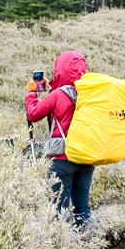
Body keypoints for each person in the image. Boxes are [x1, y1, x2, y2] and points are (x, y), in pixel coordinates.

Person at [25, 50, 94, 227]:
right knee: (82, 210)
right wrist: (53, 87)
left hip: (63, 160)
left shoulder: (57, 95)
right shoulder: (90, 94)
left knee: (58, 211)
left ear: (60, 69)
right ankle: (85, 239)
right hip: (86, 157)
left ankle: (60, 242)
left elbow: (33, 114)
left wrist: (31, 93)